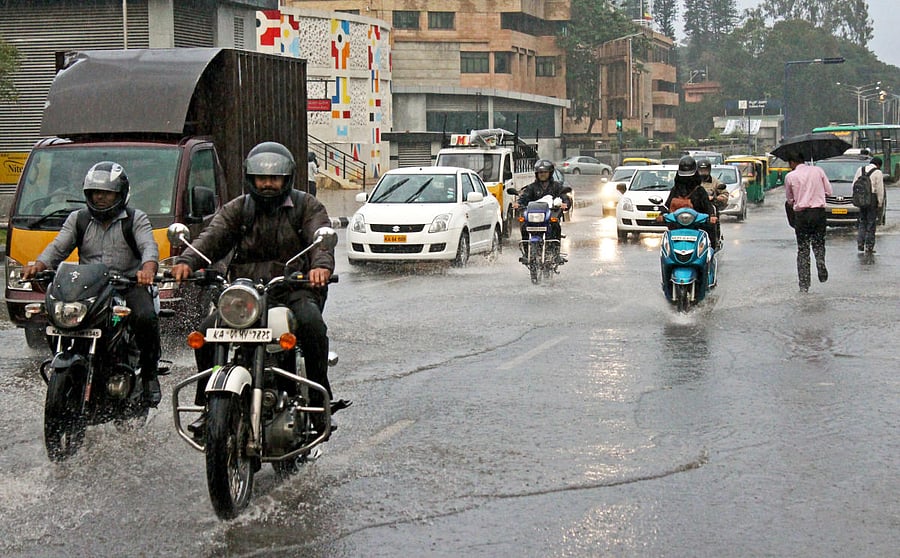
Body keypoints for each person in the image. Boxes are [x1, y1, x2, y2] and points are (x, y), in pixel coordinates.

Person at [170, 141, 337, 437]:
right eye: (262, 178)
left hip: (291, 288)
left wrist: (320, 266)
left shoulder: (306, 206)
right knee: (206, 332)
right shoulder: (238, 209)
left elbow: (319, 237)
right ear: (251, 178)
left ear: (288, 179)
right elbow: (212, 236)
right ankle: (208, 407)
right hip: (245, 292)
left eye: (275, 178)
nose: (268, 184)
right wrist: (187, 261)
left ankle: (318, 402)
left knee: (312, 326)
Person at [22, 161, 162, 405]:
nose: (100, 198)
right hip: (91, 287)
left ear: (120, 194)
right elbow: (58, 248)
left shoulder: (135, 219)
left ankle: (149, 376)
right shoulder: (78, 219)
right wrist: (39, 265)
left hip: (126, 285)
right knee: (55, 315)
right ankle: (68, 362)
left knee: (145, 317)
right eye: (95, 193)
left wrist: (148, 269)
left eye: (107, 193)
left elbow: (148, 246)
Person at [784, 152, 832, 293]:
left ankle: (804, 284)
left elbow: (789, 199)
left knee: (803, 249)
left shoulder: (791, 176)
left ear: (793, 162)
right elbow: (829, 191)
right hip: (818, 213)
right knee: (819, 243)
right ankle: (820, 261)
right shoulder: (818, 170)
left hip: (802, 215)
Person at [513, 159, 570, 262]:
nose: (542, 174)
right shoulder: (532, 187)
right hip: (534, 217)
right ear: (536, 174)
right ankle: (527, 253)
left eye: (545, 172)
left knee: (556, 226)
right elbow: (524, 198)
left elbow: (564, 196)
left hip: (550, 216)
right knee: (524, 226)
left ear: (550, 173)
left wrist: (565, 204)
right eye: (540, 172)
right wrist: (519, 204)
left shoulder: (556, 186)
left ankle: (556, 254)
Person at [658, 156, 719, 247]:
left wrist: (711, 217)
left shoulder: (700, 191)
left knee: (710, 234)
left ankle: (711, 252)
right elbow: (667, 206)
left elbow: (708, 208)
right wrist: (661, 215)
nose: (686, 180)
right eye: (684, 177)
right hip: (676, 228)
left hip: (698, 227)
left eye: (689, 177)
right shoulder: (675, 190)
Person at [852, 156, 884, 254]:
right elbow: (880, 189)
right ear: (878, 165)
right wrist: (880, 202)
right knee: (871, 223)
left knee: (862, 221)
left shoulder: (860, 169)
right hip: (872, 199)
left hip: (861, 199)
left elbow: (854, 185)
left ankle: (860, 244)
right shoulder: (878, 172)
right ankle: (869, 246)